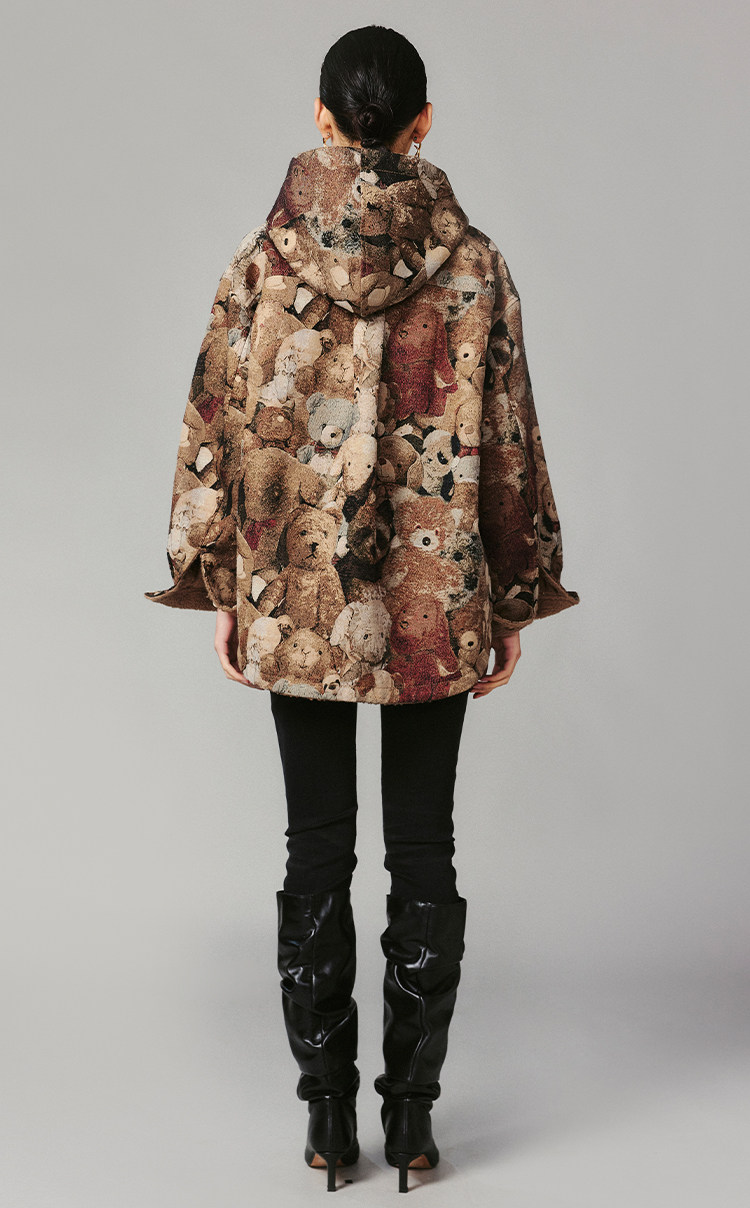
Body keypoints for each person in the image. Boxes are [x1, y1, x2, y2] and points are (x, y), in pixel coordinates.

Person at [144, 23, 579, 1194]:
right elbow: (508, 445)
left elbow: (215, 422)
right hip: (435, 598)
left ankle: (330, 1120)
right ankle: (415, 1124)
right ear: (424, 124)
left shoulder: (261, 261)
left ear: (322, 117)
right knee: (425, 848)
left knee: (316, 848)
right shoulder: (477, 267)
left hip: (297, 595)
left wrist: (220, 586)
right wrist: (511, 597)